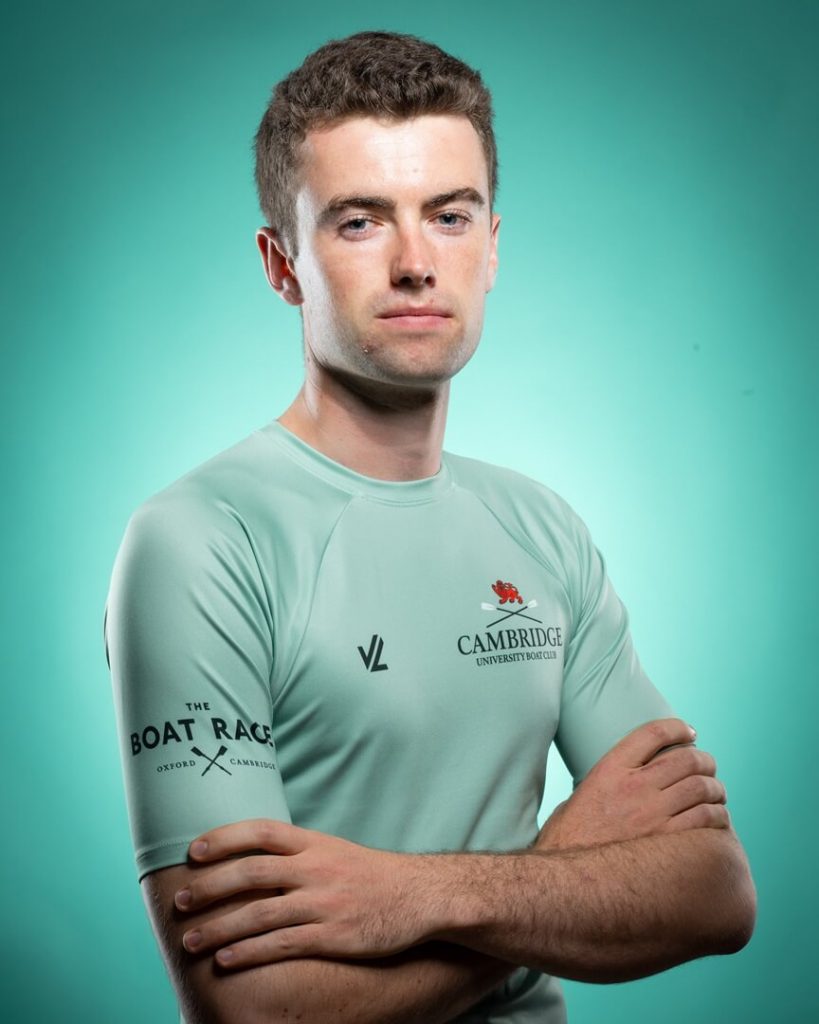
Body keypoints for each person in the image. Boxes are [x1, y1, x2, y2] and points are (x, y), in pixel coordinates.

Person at [103, 30, 756, 1024]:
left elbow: (713, 891)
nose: (416, 264)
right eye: (361, 222)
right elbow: (257, 1010)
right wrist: (561, 864)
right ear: (283, 264)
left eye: (449, 217)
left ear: (491, 247)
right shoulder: (198, 542)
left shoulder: (540, 528)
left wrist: (420, 895)